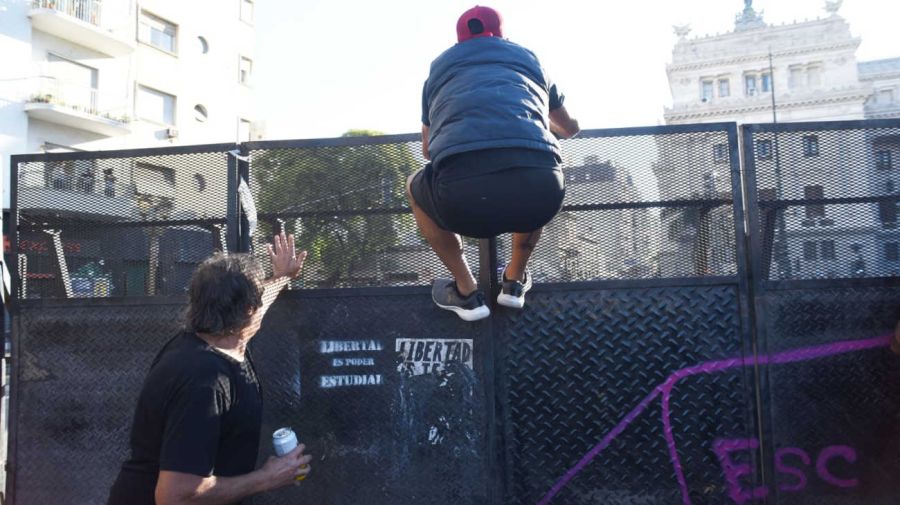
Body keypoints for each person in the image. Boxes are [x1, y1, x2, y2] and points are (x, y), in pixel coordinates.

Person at [107, 233, 312, 505]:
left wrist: (283, 276)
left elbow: (259, 308)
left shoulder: (222, 336)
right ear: (248, 309)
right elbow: (176, 496)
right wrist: (268, 477)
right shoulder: (204, 380)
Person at [407, 5, 580, 321]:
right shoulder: (529, 59)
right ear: (502, 35)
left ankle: (466, 290)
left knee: (413, 184)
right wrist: (548, 126)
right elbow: (568, 128)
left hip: (461, 200)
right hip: (539, 194)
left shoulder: (439, 69)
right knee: (538, 161)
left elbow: (428, 150)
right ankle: (514, 280)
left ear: (460, 40)